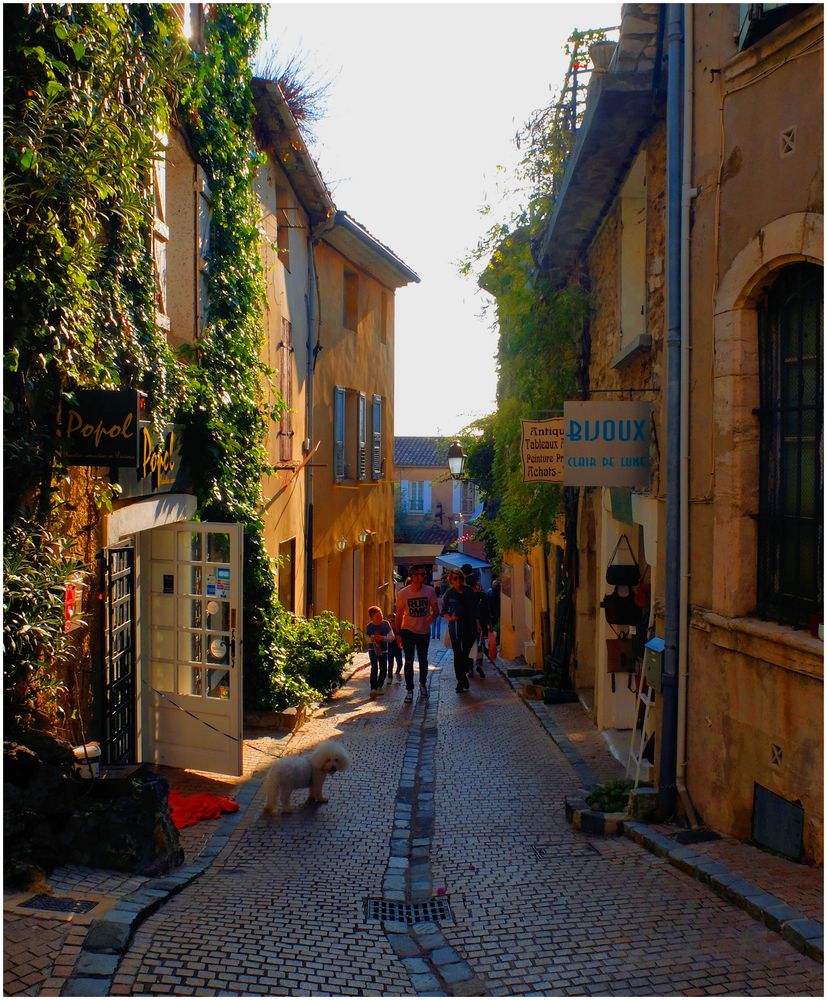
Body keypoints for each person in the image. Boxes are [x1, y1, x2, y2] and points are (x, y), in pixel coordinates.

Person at [395, 564, 439, 703]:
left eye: (424, 574)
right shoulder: (403, 593)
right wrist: (398, 633)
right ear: (414, 576)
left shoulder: (430, 591)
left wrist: (431, 618)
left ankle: (422, 684)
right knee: (408, 660)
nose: (424, 576)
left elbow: (436, 610)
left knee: (423, 659)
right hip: (408, 630)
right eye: (421, 574)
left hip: (423, 631)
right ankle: (409, 690)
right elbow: (399, 615)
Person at [442, 569, 480, 693]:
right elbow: (443, 612)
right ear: (451, 580)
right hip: (456, 626)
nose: (458, 581)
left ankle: (463, 674)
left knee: (466, 652)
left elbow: (475, 609)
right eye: (455, 578)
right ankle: (460, 679)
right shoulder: (449, 594)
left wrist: (478, 623)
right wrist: (450, 618)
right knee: (457, 653)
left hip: (469, 625)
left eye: (460, 578)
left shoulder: (469, 591)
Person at [365, 605, 394, 697]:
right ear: (372, 617)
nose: (380, 617)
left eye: (381, 615)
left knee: (383, 669)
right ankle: (373, 688)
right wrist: (371, 639)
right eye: (377, 616)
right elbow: (366, 638)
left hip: (384, 650)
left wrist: (383, 638)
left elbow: (392, 637)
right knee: (374, 667)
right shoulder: (369, 626)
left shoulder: (386, 624)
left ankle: (379, 686)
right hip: (372, 649)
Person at [467, 573, 489, 678]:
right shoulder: (481, 595)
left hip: (471, 624)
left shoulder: (466, 595)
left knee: (470, 646)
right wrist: (488, 624)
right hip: (480, 623)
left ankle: (470, 669)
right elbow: (486, 610)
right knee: (480, 646)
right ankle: (479, 665)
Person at [486, 577, 501, 647]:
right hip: (494, 615)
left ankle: (492, 642)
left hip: (490, 614)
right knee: (495, 629)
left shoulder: (489, 591)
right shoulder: (494, 594)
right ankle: (495, 642)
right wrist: (497, 616)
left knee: (492, 629)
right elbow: (495, 606)